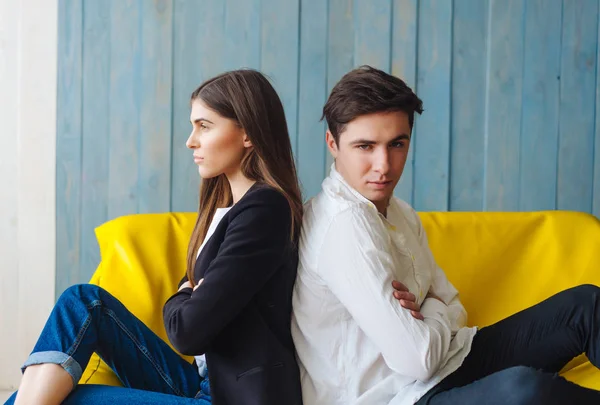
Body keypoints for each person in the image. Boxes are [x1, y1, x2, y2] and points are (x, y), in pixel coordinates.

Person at [291, 65, 600, 405]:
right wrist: (433, 307)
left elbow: (453, 304)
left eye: (397, 143)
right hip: (395, 398)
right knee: (524, 390)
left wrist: (430, 311)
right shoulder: (343, 226)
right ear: (332, 144)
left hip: (450, 362)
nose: (384, 165)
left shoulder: (401, 213)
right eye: (365, 146)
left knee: (586, 306)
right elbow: (417, 359)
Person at [7, 69, 304, 405]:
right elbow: (189, 307)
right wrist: (189, 294)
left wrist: (185, 296)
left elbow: (187, 331)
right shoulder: (224, 211)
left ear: (247, 133)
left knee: (51, 398)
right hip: (198, 383)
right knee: (83, 301)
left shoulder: (266, 208)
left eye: (204, 126)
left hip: (230, 398)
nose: (191, 140)